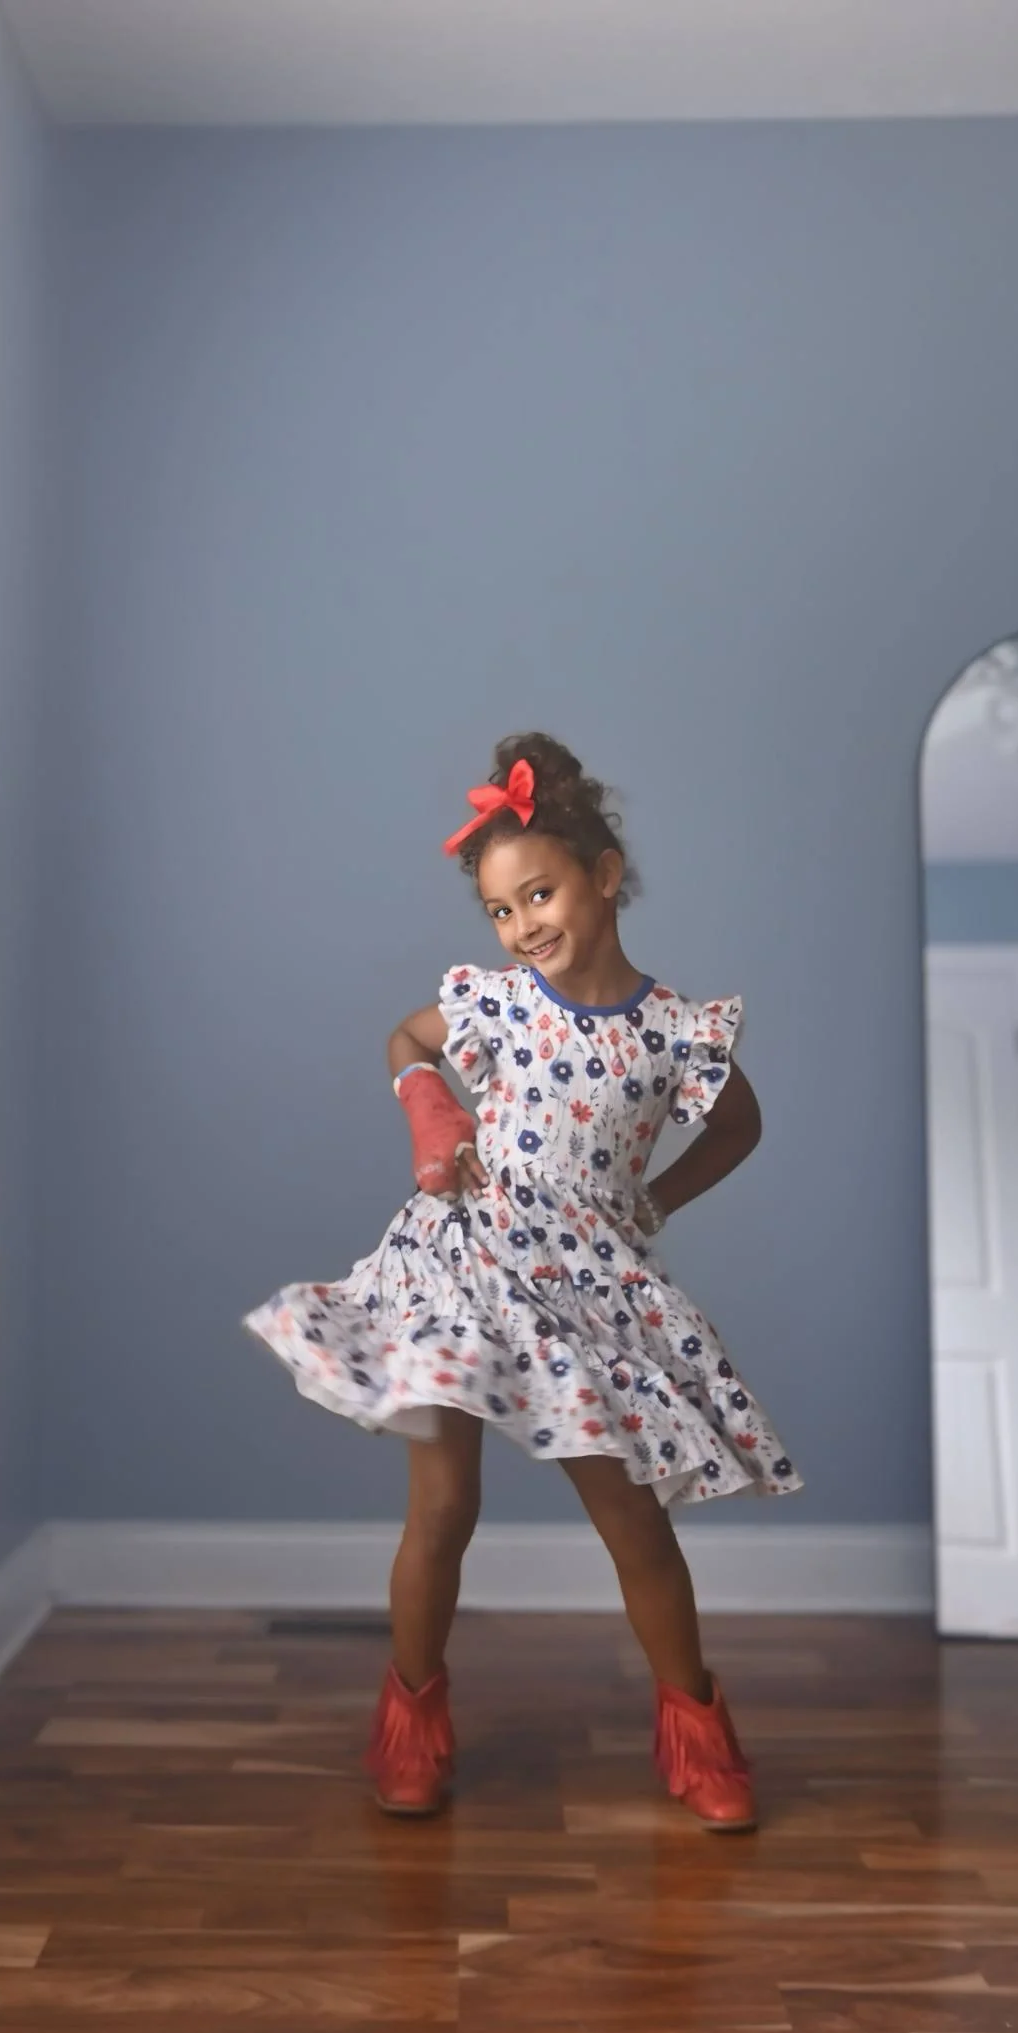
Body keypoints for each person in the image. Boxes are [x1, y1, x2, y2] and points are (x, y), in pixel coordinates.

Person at [246, 733, 801, 1832]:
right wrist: (430, 1102)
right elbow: (408, 1032)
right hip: (462, 1256)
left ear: (603, 873)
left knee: (632, 1521)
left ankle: (697, 1729)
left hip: (585, 1281)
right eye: (500, 911)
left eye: (538, 893)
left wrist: (655, 1203)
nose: (522, 925)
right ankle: (410, 1717)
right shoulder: (496, 1001)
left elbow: (738, 1122)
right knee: (443, 1505)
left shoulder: (672, 1029)